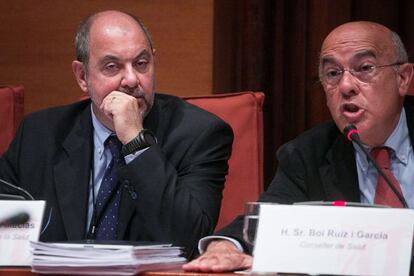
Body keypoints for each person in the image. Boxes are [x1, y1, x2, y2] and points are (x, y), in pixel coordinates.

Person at [183, 21, 414, 271]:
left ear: (403, 78)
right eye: (333, 73)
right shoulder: (308, 153)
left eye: (365, 68)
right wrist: (227, 246)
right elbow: (268, 220)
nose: (346, 86)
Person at [0, 10, 233, 258]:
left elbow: (187, 240)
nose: (132, 80)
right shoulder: (40, 134)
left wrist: (136, 141)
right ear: (82, 76)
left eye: (142, 64)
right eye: (112, 67)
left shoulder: (200, 135)